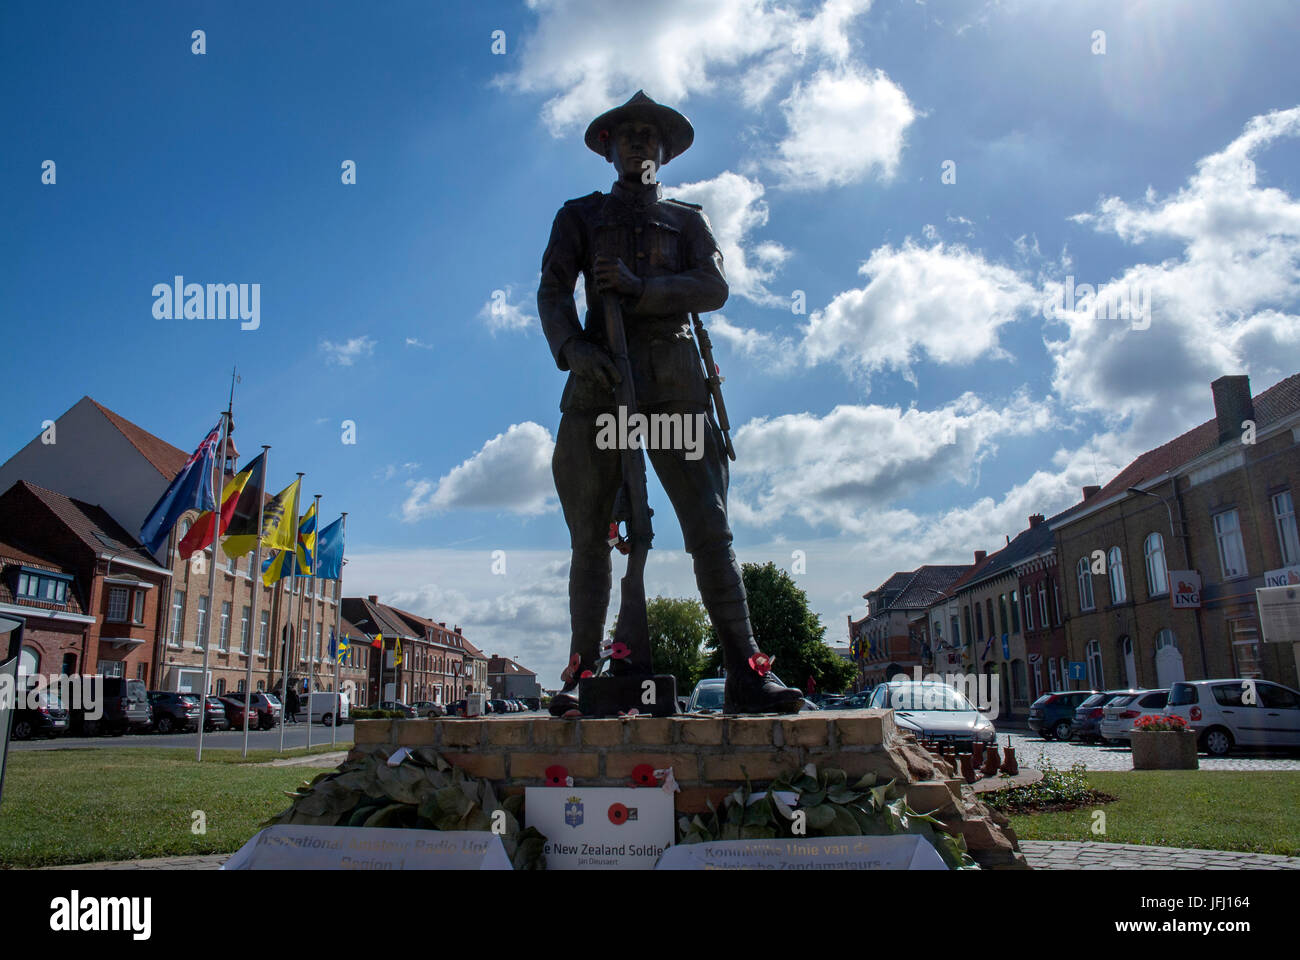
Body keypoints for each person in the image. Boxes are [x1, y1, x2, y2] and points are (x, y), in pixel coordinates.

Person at [537, 91, 802, 716]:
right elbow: (552, 292)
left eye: (648, 135)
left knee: (709, 527)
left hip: (676, 387)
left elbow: (713, 287)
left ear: (663, 152)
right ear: (608, 148)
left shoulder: (687, 221)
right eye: (625, 134)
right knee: (590, 535)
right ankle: (583, 671)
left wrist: (640, 288)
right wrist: (575, 350)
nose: (636, 142)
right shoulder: (577, 216)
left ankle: (747, 668)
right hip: (601, 387)